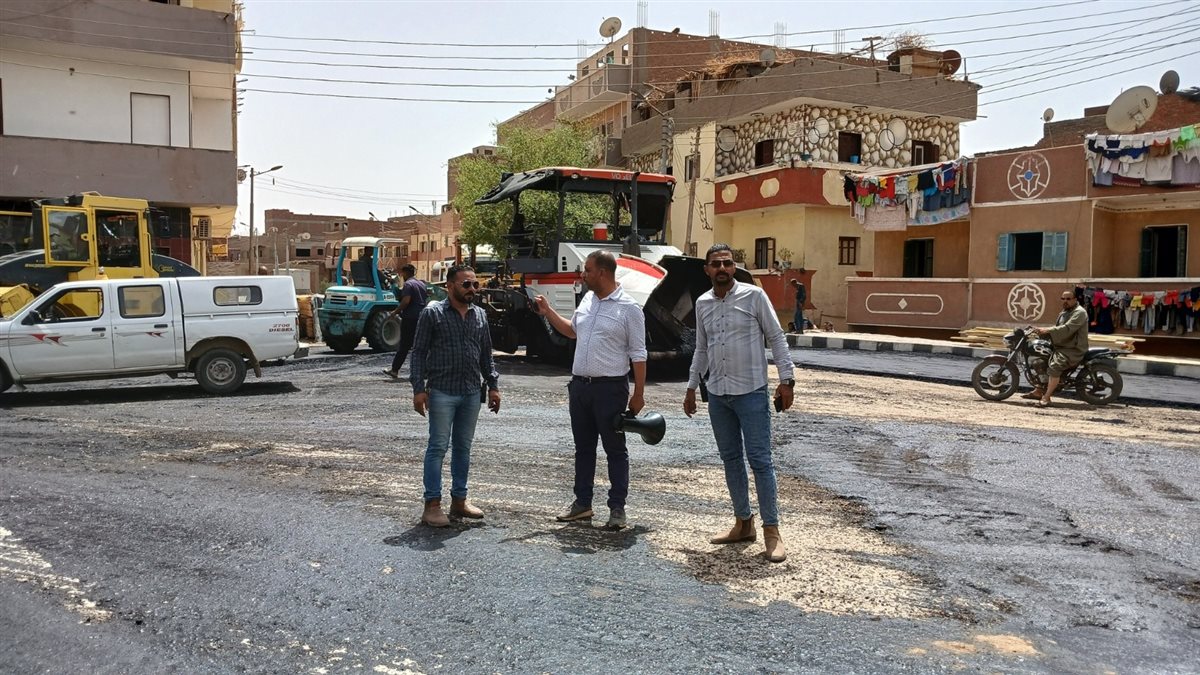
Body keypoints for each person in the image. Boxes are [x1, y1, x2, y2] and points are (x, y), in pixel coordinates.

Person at [684, 244, 796, 563]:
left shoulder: (754, 296)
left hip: (751, 392)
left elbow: (776, 337)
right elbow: (701, 348)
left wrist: (786, 380)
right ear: (707, 270)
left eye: (727, 263)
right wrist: (691, 387)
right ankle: (743, 523)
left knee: (760, 460)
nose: (722, 268)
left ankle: (771, 530)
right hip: (718, 395)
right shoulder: (702, 303)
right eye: (716, 264)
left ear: (734, 267)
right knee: (731, 459)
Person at [533, 250, 646, 530]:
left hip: (610, 389)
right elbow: (573, 331)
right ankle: (582, 504)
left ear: (603, 273)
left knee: (615, 450)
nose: (583, 275)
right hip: (580, 387)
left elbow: (638, 353)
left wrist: (639, 393)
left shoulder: (629, 308)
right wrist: (548, 312)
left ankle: (617, 509)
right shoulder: (587, 300)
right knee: (583, 449)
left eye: (588, 270)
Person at [410, 265, 501, 527]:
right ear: (449, 286)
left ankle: (459, 500)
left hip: (471, 392)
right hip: (441, 391)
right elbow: (418, 352)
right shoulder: (433, 313)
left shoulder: (480, 315)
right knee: (438, 447)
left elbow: (486, 354)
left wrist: (493, 385)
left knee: (463, 447)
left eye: (475, 284)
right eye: (466, 284)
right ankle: (432, 505)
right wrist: (418, 389)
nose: (472, 289)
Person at [1023, 289, 1089, 408]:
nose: (1065, 301)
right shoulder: (1065, 311)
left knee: (1055, 366)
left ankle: (1046, 397)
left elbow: (1067, 328)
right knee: (1039, 362)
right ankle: (1039, 390)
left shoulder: (1079, 312)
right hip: (1061, 346)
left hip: (1072, 349)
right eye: (1063, 298)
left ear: (1075, 299)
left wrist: (1047, 330)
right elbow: (1058, 327)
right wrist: (1041, 331)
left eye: (1068, 299)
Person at [382, 264, 427, 379]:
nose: (402, 276)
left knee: (404, 345)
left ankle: (394, 370)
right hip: (422, 317)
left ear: (406, 273)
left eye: (402, 273)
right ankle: (425, 371)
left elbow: (406, 301)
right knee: (421, 345)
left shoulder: (408, 284)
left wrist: (395, 312)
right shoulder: (421, 284)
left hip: (410, 318)